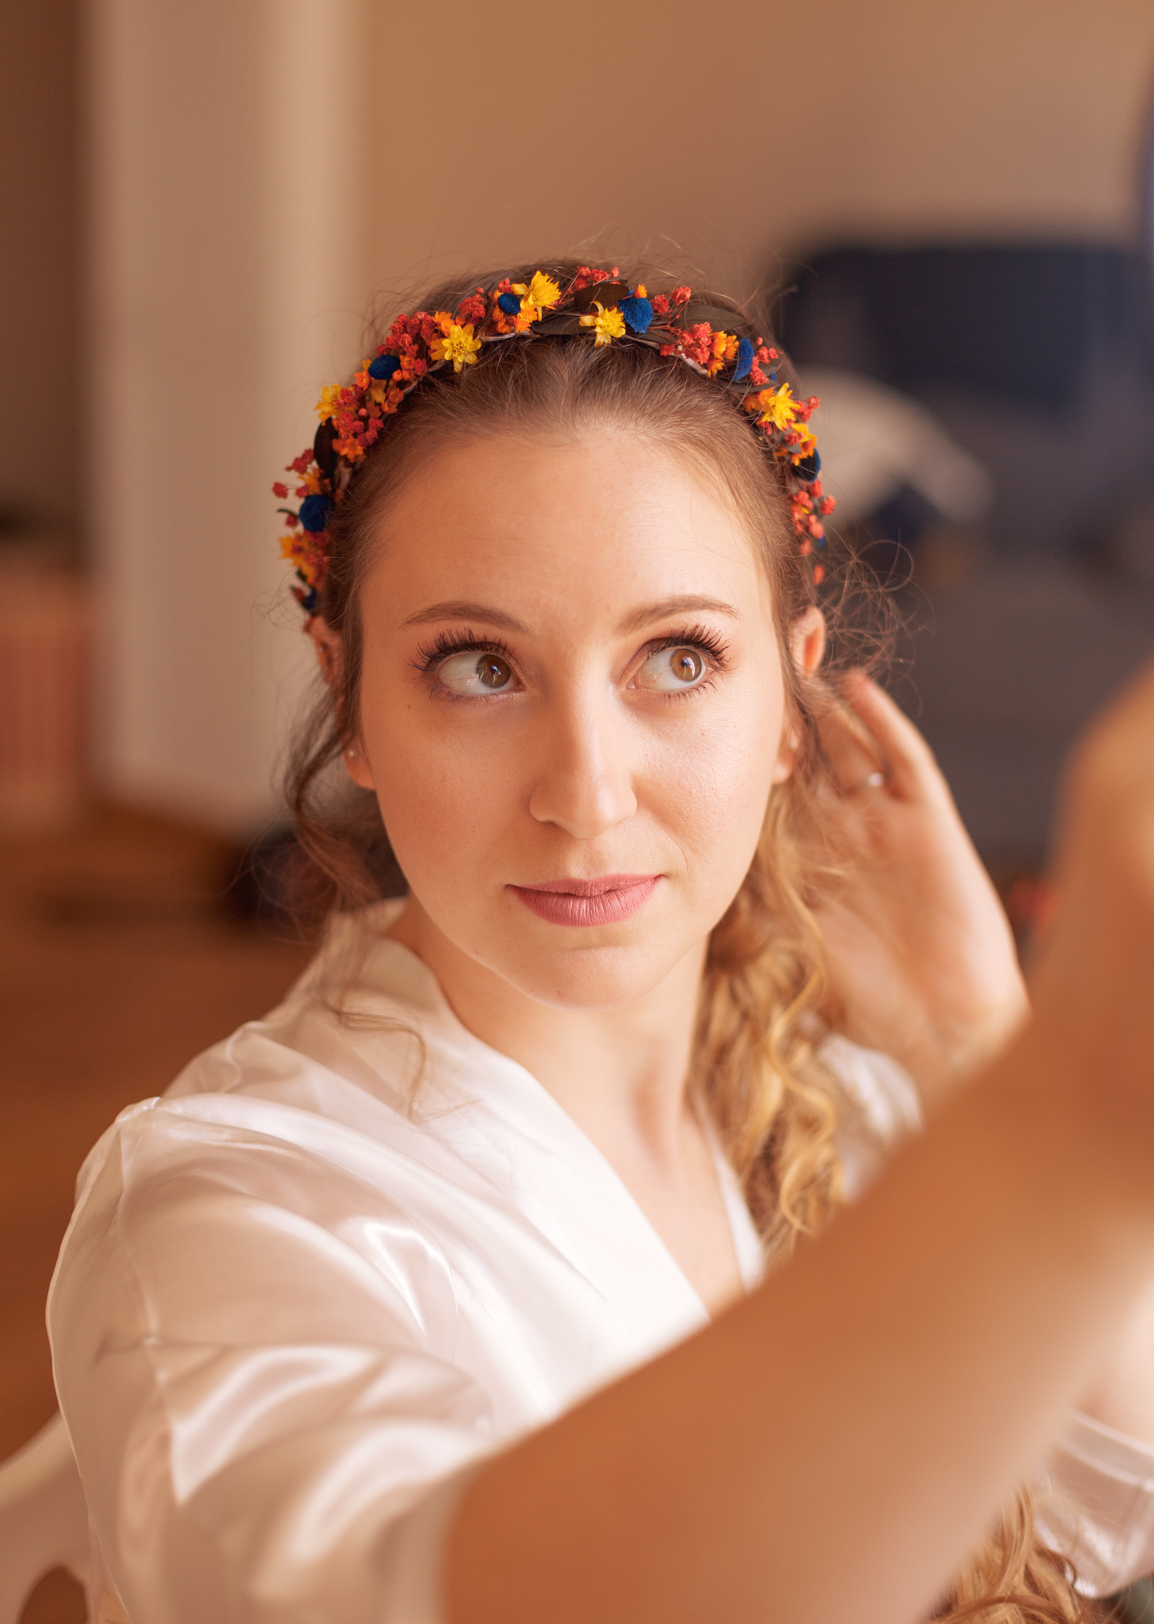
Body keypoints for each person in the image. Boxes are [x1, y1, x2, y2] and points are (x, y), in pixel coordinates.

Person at [48, 262, 1154, 1624]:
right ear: (350, 704)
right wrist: (1059, 1124)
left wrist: (972, 1045)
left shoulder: (866, 1090)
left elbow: (1108, 1509)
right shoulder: (233, 1213)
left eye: (677, 658)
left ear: (790, 704)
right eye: (478, 666)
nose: (584, 792)